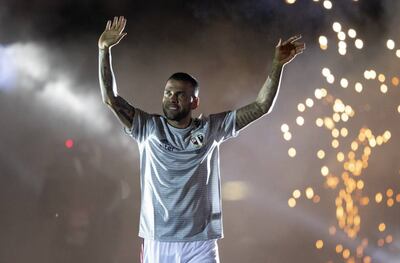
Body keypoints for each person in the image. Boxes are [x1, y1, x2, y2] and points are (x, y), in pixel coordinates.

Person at [98, 16, 304, 263]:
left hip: (200, 243)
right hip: (158, 241)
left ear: (194, 101)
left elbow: (261, 106)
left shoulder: (211, 129)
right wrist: (103, 50)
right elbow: (111, 99)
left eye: (180, 94)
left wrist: (277, 66)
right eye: (168, 93)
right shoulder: (148, 128)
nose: (172, 98)